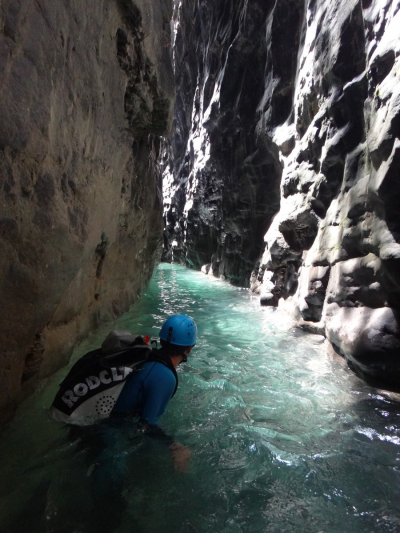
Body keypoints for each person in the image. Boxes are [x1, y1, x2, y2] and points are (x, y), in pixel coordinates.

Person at [111, 314, 196, 470]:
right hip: (108, 429)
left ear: (162, 340)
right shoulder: (165, 376)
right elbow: (146, 425)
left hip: (107, 416)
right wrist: (173, 445)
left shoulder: (149, 356)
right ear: (189, 348)